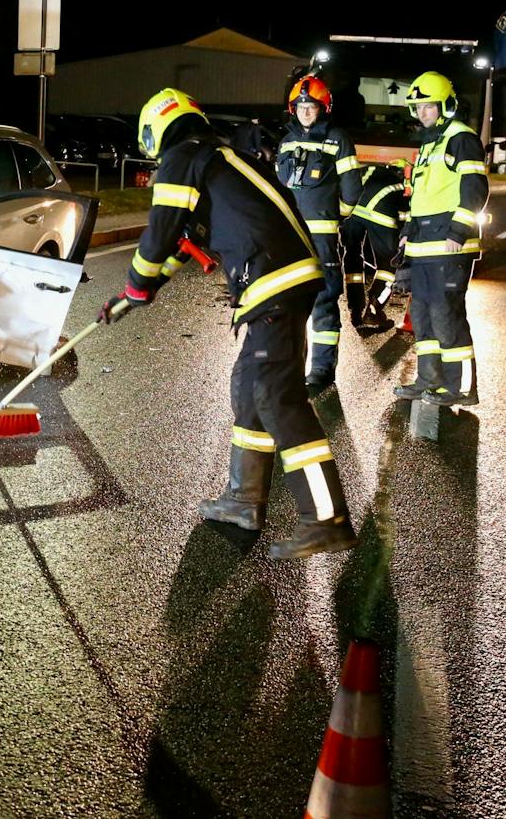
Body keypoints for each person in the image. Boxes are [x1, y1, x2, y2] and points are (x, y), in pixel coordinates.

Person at [99, 88, 358, 559]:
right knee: (249, 385)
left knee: (278, 397)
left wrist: (137, 283)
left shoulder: (183, 158)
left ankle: (326, 517)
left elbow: (159, 229)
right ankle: (243, 499)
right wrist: (136, 292)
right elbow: (184, 241)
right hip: (283, 280)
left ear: (157, 128)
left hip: (273, 282)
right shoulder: (219, 159)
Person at [393, 72, 489, 406]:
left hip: (449, 245)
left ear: (445, 104)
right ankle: (428, 380)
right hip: (423, 245)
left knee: (446, 315)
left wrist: (459, 231)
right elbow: (420, 195)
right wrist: (407, 232)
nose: (422, 113)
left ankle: (459, 387)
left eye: (429, 106)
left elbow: (475, 187)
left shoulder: (460, 138)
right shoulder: (429, 144)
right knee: (422, 315)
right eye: (418, 107)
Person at [275, 75, 362, 392]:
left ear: (323, 107)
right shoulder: (286, 142)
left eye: (311, 106)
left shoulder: (338, 139)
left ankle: (322, 371)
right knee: (290, 304)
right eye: (300, 106)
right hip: (289, 241)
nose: (305, 111)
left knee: (323, 305)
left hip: (322, 240)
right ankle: (292, 366)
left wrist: (335, 215)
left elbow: (352, 189)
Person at [342, 157, 411, 329]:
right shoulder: (400, 183)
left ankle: (355, 309)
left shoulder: (366, 171)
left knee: (352, 255)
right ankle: (373, 310)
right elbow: (404, 215)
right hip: (382, 219)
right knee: (389, 265)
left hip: (353, 214)